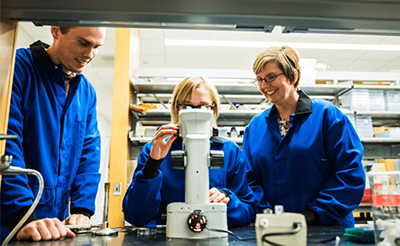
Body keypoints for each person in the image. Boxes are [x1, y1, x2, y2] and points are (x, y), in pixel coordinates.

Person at [1, 26, 106, 242]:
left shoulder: (86, 92)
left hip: (53, 224)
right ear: (56, 31)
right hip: (11, 219)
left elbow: (89, 154)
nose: (90, 54)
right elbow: (6, 145)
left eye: (96, 47)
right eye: (83, 43)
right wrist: (23, 215)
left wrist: (81, 210)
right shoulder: (16, 68)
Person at [243, 46, 366, 227]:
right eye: (259, 79)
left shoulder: (328, 116)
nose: (264, 86)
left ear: (293, 76)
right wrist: (268, 213)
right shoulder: (255, 127)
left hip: (326, 228)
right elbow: (248, 179)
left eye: (271, 77)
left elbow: (350, 173)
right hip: (274, 228)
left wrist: (312, 214)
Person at [123, 76, 257, 227]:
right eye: (186, 106)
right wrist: (153, 164)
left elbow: (248, 211)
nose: (195, 113)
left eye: (202, 106)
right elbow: (135, 216)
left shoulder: (230, 152)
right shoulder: (154, 149)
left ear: (213, 109)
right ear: (176, 108)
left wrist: (226, 199)